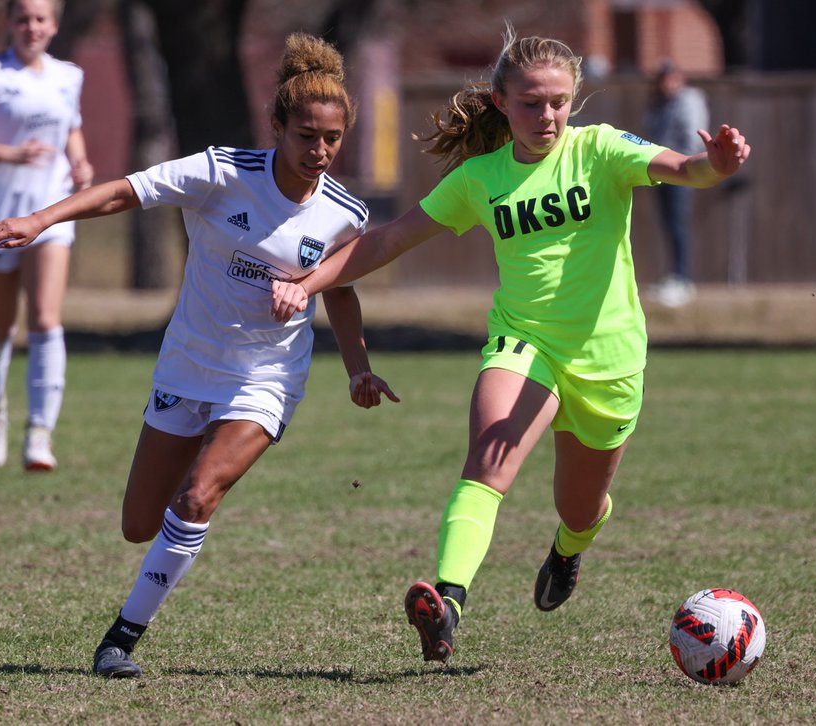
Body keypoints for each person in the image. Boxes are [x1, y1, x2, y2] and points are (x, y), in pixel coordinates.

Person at [270, 25, 750, 663]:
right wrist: (307, 283)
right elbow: (388, 239)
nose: (546, 114)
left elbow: (683, 167)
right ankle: (448, 603)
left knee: (580, 508)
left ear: (573, 99)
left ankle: (569, 550)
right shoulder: (481, 178)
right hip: (523, 343)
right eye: (530, 102)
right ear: (501, 101)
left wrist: (716, 166)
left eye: (557, 101)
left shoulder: (600, 149)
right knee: (488, 459)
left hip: (609, 360)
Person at [0, 32, 398, 679]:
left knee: (197, 499)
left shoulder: (344, 213)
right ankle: (197, 471)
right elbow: (124, 191)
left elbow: (340, 289)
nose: (319, 151)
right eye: (307, 135)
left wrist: (358, 367)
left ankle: (120, 641)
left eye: (332, 139)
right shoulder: (223, 171)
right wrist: (40, 220)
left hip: (265, 376)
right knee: (140, 524)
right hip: (189, 365)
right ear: (277, 126)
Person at [0, 0, 93, 470]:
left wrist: (80, 162)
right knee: (2, 323)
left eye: (40, 19)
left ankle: (40, 433)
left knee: (45, 318)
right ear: (9, 22)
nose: (32, 27)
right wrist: (9, 154)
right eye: (23, 18)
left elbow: (71, 128)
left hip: (50, 212)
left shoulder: (68, 75)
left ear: (54, 25)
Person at [644, 59, 709, 308]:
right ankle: (674, 276)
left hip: (681, 170)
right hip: (660, 172)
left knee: (678, 226)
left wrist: (685, 166)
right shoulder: (658, 103)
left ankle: (683, 279)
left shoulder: (689, 100)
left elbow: (693, 135)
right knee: (668, 225)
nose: (666, 84)